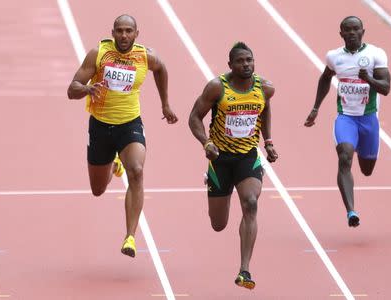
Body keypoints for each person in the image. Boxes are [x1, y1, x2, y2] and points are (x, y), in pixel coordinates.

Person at [67, 14, 178, 257]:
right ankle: (113, 167)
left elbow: (161, 69)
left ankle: (130, 237)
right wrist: (86, 88)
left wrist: (165, 104)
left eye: (129, 31)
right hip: (100, 127)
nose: (124, 35)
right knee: (97, 190)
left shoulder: (145, 56)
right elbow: (71, 89)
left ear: (137, 33)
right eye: (120, 30)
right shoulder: (99, 53)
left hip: (130, 125)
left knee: (137, 170)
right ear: (113, 32)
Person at [188, 42, 278, 289]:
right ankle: (216, 186)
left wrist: (268, 142)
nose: (246, 65)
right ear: (230, 65)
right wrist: (206, 142)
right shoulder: (217, 87)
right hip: (220, 159)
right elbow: (194, 117)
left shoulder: (264, 88)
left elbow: (265, 108)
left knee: (250, 203)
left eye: (249, 60)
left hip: (248, 156)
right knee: (219, 224)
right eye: (240, 61)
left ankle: (244, 270)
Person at [304, 16, 391, 227]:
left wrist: (368, 79)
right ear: (341, 33)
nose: (352, 33)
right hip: (346, 118)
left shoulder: (375, 54)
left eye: (356, 29)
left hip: (368, 119)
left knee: (367, 169)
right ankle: (351, 211)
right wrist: (315, 108)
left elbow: (386, 88)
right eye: (347, 30)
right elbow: (325, 78)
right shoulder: (334, 57)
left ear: (363, 31)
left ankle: (364, 148)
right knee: (344, 156)